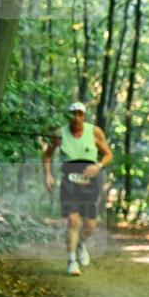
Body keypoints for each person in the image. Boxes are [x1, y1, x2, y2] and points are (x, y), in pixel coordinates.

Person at [42, 102, 113, 276]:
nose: (76, 118)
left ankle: (80, 244)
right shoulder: (60, 133)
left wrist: (98, 166)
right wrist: (48, 175)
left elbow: (108, 154)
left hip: (90, 181)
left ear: (84, 116)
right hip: (69, 181)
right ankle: (72, 260)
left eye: (80, 114)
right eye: (73, 114)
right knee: (73, 221)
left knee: (90, 225)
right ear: (69, 116)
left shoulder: (94, 132)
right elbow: (47, 155)